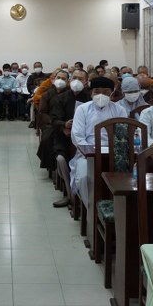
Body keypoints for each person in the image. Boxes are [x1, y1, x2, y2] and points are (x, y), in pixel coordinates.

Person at [70, 77, 129, 209]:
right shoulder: (82, 109)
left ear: (112, 93)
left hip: (114, 154)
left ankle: (120, 209)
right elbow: (77, 136)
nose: (101, 95)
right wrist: (90, 152)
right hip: (86, 154)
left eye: (105, 92)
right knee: (84, 177)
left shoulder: (119, 110)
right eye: (97, 91)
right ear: (91, 93)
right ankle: (90, 209)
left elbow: (123, 136)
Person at [47, 69, 91, 207]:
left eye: (80, 79)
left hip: (86, 138)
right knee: (61, 159)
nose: (77, 81)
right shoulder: (60, 98)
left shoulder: (90, 98)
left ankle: (85, 196)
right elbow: (54, 120)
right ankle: (69, 193)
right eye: (74, 78)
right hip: (64, 136)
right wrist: (64, 124)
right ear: (70, 80)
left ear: (86, 82)